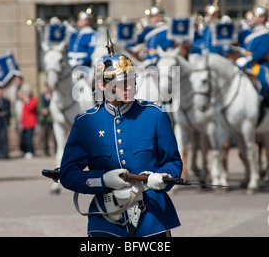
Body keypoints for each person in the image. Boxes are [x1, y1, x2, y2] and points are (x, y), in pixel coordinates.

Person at [59, 34, 183, 237]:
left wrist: (162, 178)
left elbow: (172, 162)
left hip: (151, 217)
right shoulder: (85, 123)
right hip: (105, 220)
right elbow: (68, 173)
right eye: (122, 82)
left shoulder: (155, 115)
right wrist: (103, 179)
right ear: (102, 85)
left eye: (132, 81)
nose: (130, 87)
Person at [236, 3, 269, 120]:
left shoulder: (266, 34)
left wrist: (248, 58)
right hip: (247, 63)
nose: (253, 18)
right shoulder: (248, 32)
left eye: (255, 16)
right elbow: (237, 40)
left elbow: (262, 52)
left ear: (262, 18)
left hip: (260, 63)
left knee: (264, 79)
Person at [142, 0, 175, 66]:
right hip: (149, 60)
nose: (150, 19)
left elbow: (167, 45)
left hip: (162, 60)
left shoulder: (167, 29)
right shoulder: (149, 30)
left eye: (152, 17)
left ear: (158, 17)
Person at [18, 84, 38, 159]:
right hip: (25, 124)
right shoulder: (23, 102)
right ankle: (26, 150)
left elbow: (30, 108)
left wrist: (26, 100)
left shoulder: (33, 100)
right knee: (25, 139)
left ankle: (31, 151)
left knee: (29, 138)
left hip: (31, 123)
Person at [38, 84, 54, 157]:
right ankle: (45, 151)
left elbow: (54, 105)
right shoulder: (42, 96)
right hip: (43, 119)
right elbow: (39, 105)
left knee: (54, 135)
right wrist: (42, 110)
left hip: (51, 118)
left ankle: (56, 150)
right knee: (44, 135)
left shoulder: (53, 96)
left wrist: (48, 110)